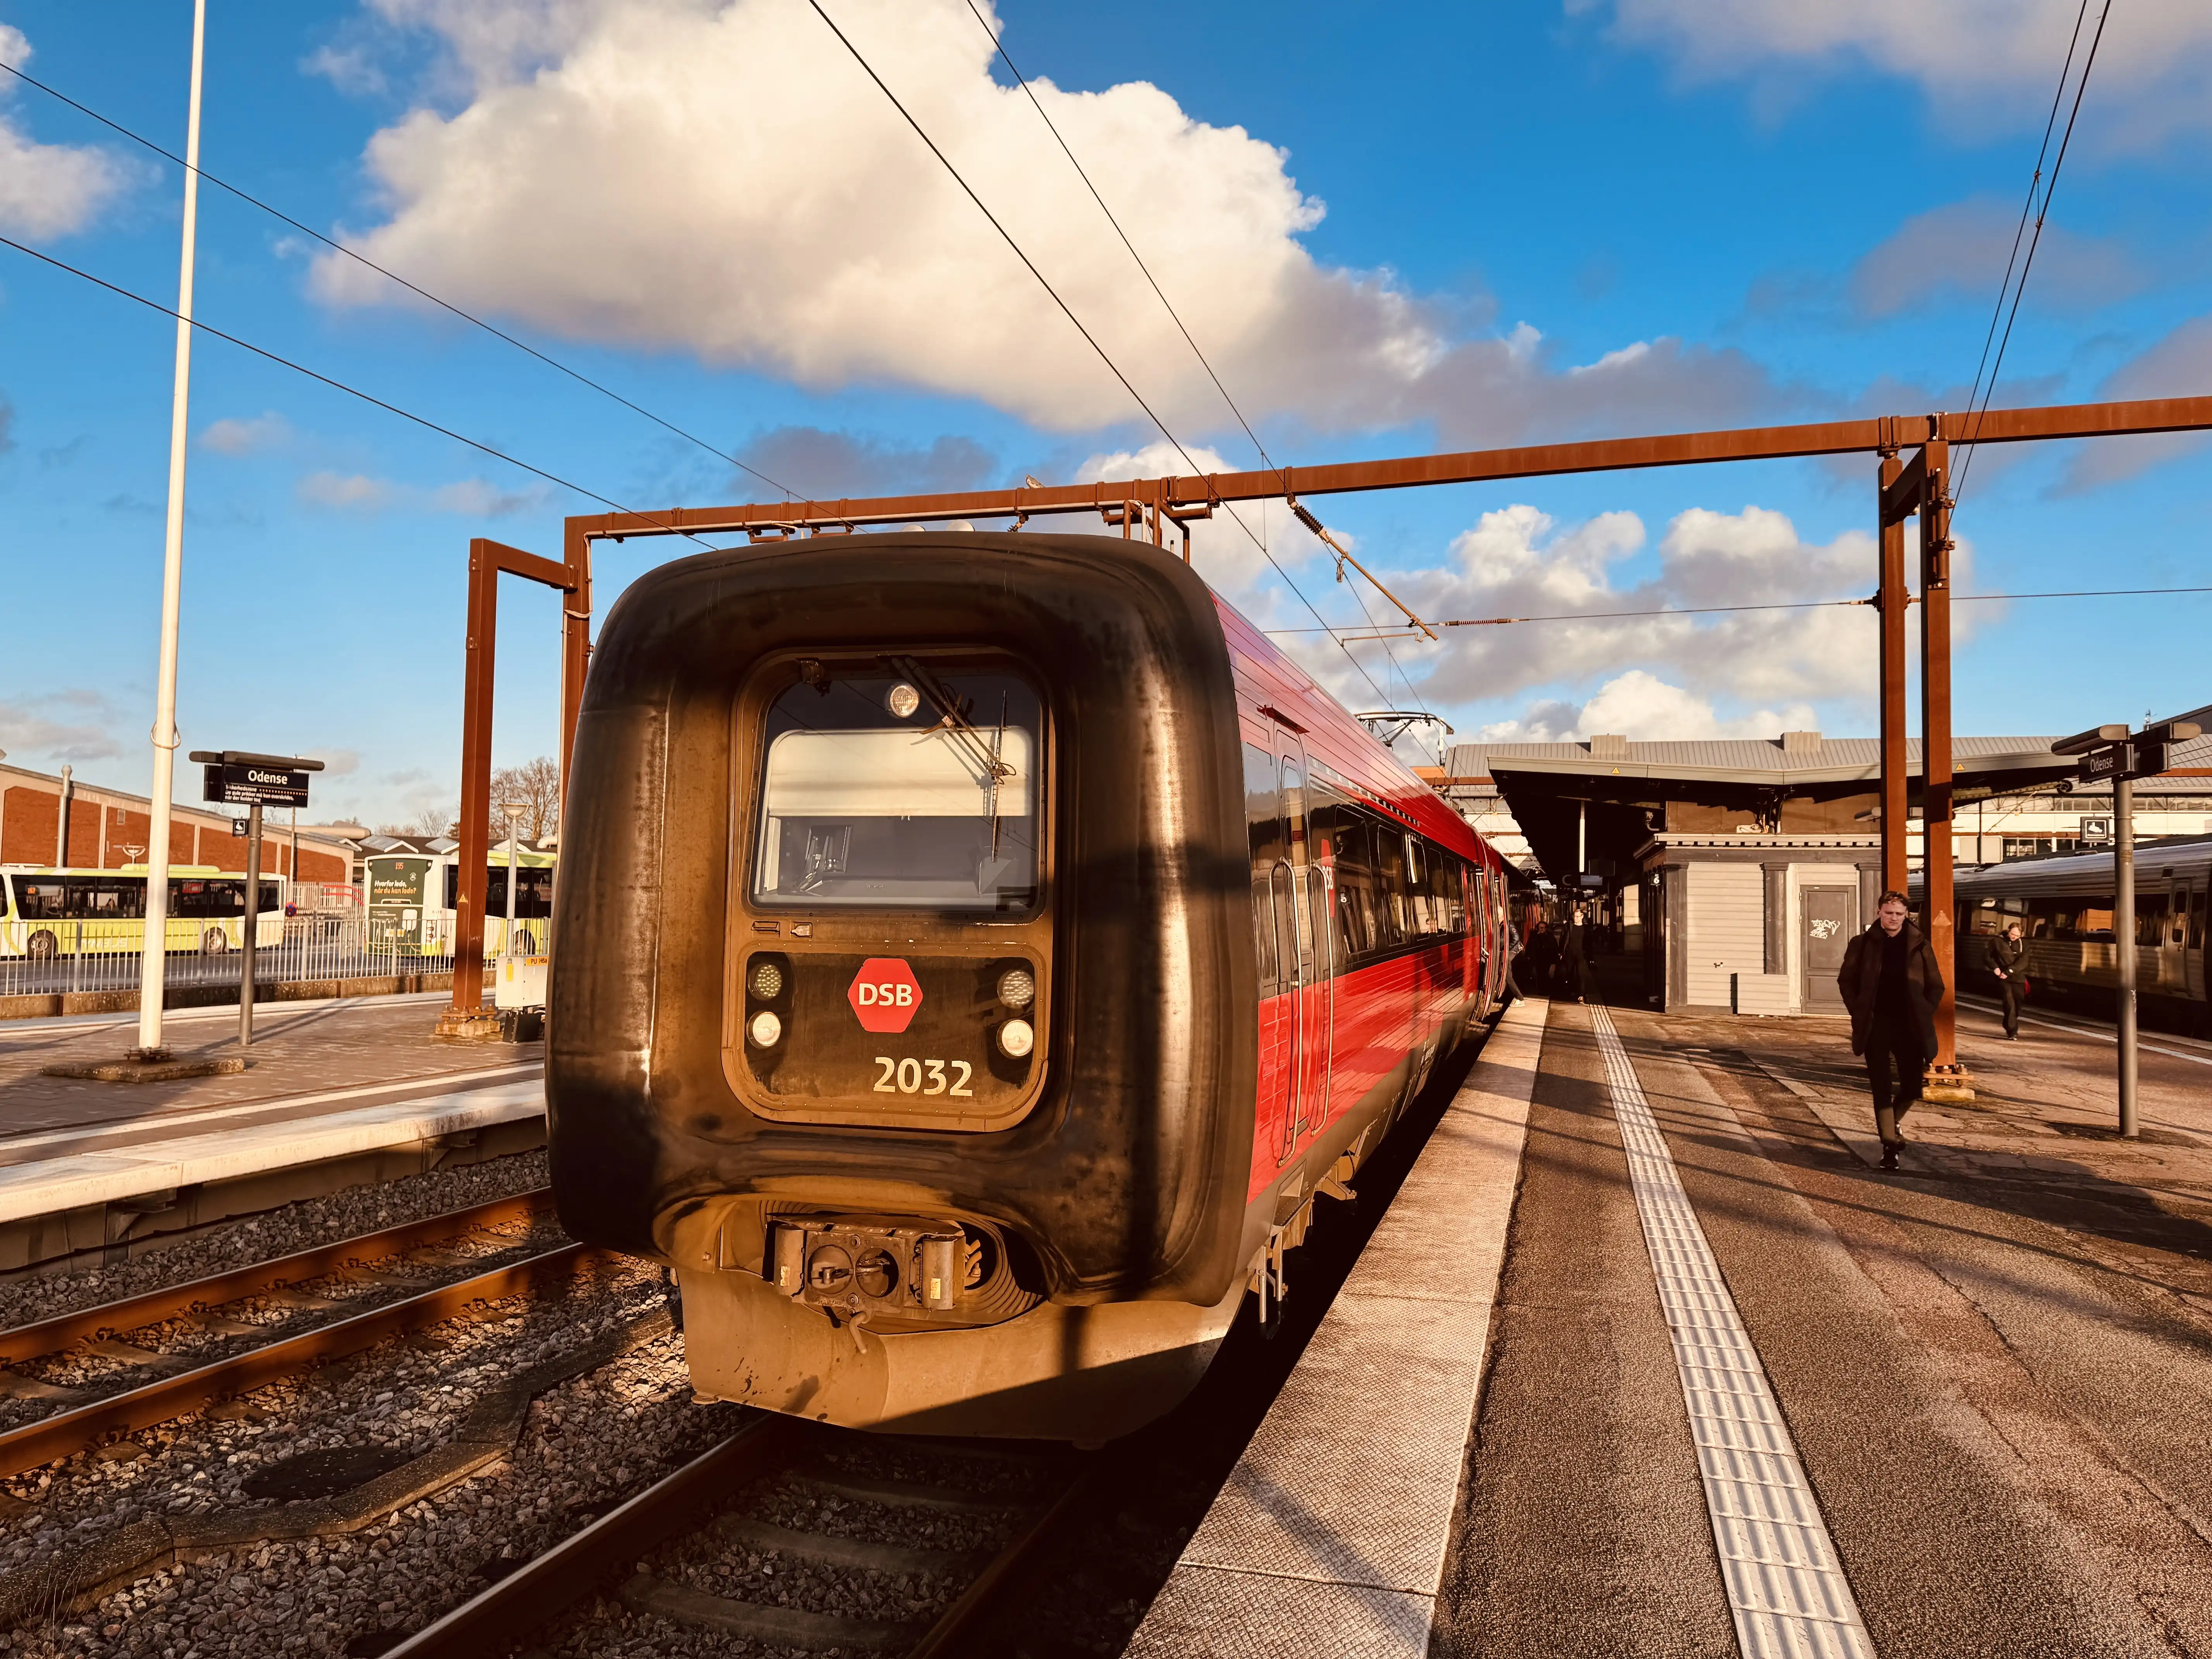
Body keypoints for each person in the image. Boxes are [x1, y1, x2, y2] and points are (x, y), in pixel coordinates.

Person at [1837, 891, 1944, 1170]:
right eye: (1889, 913)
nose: (1894, 918)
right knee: (1881, 1087)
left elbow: (1937, 985)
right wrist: (1858, 1009)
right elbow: (1846, 980)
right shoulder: (1862, 944)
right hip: (1876, 1026)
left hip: (1909, 1026)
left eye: (1899, 914)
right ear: (1879, 913)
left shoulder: (1920, 946)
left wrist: (1923, 1010)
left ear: (1905, 915)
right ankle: (1889, 1146)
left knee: (1912, 1087)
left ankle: (1892, 1123)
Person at [1987, 921, 2028, 1040]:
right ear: (2008, 931)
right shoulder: (1997, 941)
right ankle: (2012, 1031)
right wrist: (1995, 968)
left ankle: (2009, 1023)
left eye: (2017, 936)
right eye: (2012, 934)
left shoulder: (2024, 945)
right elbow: (1987, 956)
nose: (2014, 937)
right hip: (2003, 979)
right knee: (2009, 1003)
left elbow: (2023, 962)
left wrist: (2010, 971)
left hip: (2018, 978)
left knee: (2018, 1005)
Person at [1561, 905, 1596, 1005]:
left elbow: (1589, 944)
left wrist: (1590, 957)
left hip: (1581, 954)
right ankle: (1572, 991)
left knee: (1581, 974)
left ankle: (1581, 996)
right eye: (1574, 916)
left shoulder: (1586, 929)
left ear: (1582, 916)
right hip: (1570, 953)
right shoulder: (1569, 926)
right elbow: (1563, 939)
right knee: (1570, 974)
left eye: (1577, 916)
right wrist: (1561, 952)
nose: (1575, 918)